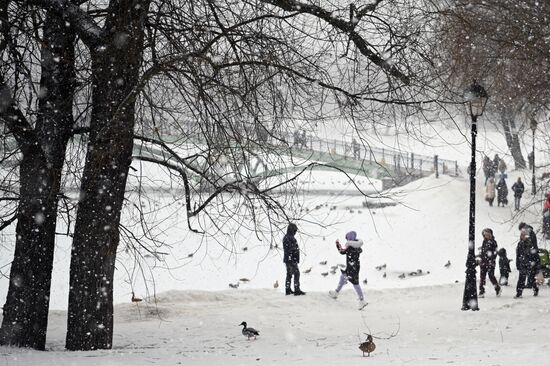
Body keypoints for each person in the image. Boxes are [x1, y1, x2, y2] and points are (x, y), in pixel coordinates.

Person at [328, 231, 367, 309]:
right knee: (343, 277)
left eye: (347, 239)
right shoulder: (356, 246)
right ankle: (336, 293)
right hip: (354, 267)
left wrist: (337, 244)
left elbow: (342, 251)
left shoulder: (351, 247)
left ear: (350, 239)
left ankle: (362, 301)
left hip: (352, 268)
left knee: (355, 284)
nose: (346, 240)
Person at [515, 228, 540, 298]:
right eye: (521, 235)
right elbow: (518, 255)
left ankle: (535, 289)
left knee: (531, 279)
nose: (522, 236)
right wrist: (517, 263)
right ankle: (519, 293)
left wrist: (536, 264)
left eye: (524, 235)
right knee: (521, 280)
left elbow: (535, 255)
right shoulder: (519, 244)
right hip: (522, 264)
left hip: (530, 264)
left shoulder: (531, 244)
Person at [282, 223, 306, 296]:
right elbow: (290, 249)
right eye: (295, 230)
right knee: (296, 273)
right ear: (292, 230)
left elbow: (290, 248)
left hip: (289, 259)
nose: (295, 232)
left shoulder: (287, 237)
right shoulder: (289, 238)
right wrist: (294, 254)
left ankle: (288, 289)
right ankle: (296, 289)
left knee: (289, 274)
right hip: (291, 259)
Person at [479, 228, 501, 297]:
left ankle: (497, 288)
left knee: (491, 276)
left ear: (491, 234)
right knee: (482, 277)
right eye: (485, 234)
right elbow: (483, 252)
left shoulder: (493, 242)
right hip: (483, 262)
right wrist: (480, 259)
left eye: (488, 234)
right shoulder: (484, 242)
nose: (487, 236)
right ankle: (481, 291)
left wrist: (491, 260)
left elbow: (495, 253)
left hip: (490, 262)